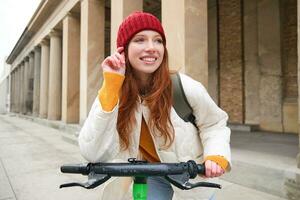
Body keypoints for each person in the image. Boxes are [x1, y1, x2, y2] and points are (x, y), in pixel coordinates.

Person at [78, 11, 231, 200]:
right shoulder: (114, 89)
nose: (152, 47)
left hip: (190, 173)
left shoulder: (183, 86)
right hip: (150, 174)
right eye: (140, 40)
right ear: (123, 49)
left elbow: (214, 124)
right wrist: (111, 84)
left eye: (158, 40)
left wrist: (216, 156)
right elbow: (92, 152)